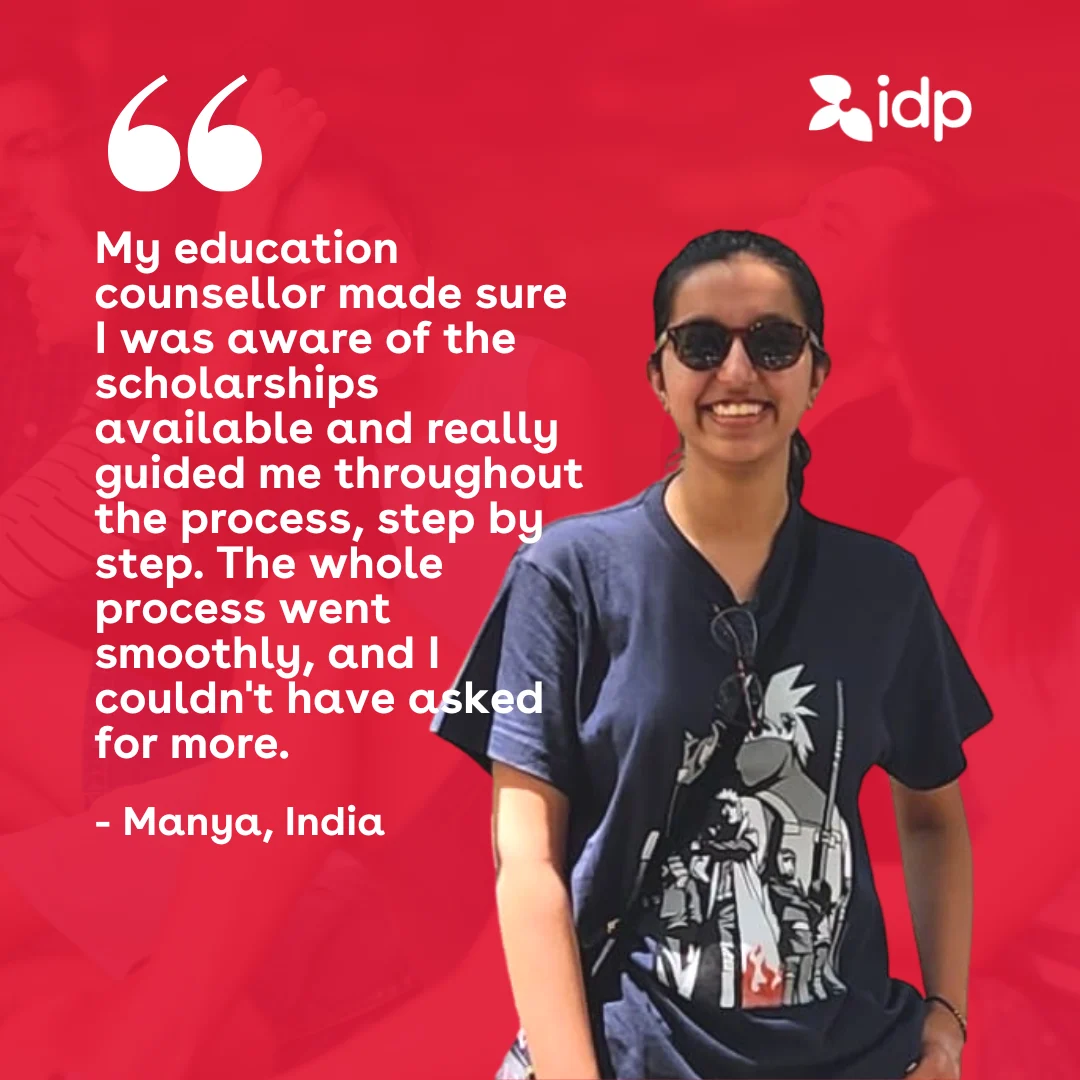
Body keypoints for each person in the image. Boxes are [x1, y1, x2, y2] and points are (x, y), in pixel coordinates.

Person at [432, 229, 991, 1079]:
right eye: (701, 344)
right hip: (631, 1055)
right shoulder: (567, 572)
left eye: (773, 343)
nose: (736, 373)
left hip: (851, 1054)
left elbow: (933, 814)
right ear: (659, 375)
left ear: (818, 373)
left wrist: (945, 1020)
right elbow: (527, 858)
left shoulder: (884, 584)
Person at [883, 190, 1080, 1078]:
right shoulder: (957, 528)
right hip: (1000, 977)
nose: (884, 357)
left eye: (904, 334)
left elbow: (995, 890)